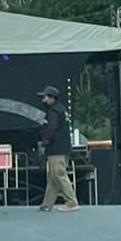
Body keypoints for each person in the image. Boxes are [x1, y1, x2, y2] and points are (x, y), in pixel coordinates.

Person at [37, 85, 78, 213]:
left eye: (45, 97)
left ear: (52, 98)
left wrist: (45, 142)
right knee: (53, 176)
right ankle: (47, 204)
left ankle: (71, 201)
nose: (43, 100)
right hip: (61, 148)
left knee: (59, 174)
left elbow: (51, 129)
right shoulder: (60, 110)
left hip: (57, 149)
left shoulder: (54, 112)